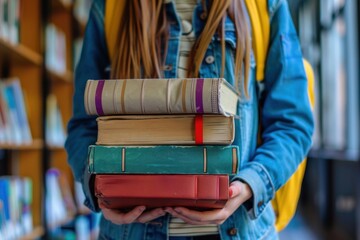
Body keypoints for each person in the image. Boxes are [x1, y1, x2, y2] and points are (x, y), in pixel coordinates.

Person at [65, 0, 314, 239]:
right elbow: (83, 125)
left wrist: (250, 184)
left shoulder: (262, 5)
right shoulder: (111, 7)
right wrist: (99, 187)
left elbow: (292, 123)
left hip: (239, 231)